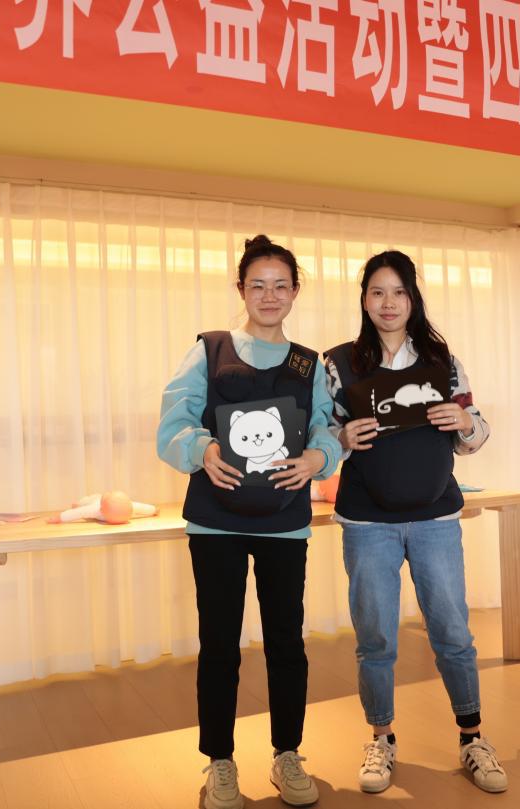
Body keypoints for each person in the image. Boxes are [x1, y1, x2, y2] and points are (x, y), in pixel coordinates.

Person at [157, 235, 341, 809]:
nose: (269, 295)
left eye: (281, 285)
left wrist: (317, 458)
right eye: (257, 284)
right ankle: (220, 762)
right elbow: (174, 423)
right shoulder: (210, 350)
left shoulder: (308, 363)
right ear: (241, 289)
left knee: (287, 640)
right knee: (219, 644)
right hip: (216, 522)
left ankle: (287, 754)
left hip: (285, 520)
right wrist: (202, 449)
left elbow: (326, 427)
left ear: (295, 292)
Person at [324, 250, 508, 795]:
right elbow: (318, 439)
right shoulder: (339, 364)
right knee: (376, 636)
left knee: (452, 631)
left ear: (413, 298)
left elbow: (475, 437)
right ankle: (381, 739)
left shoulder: (442, 362)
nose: (388, 303)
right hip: (367, 522)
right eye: (377, 292)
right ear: (364, 300)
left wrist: (464, 419)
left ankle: (473, 738)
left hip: (435, 518)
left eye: (399, 292)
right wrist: (339, 438)